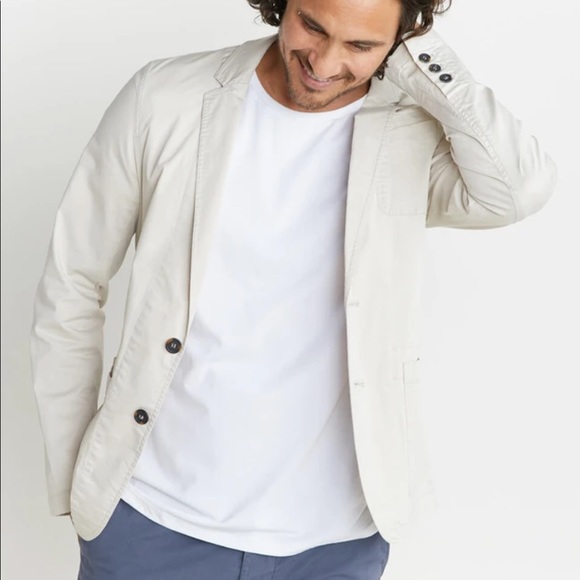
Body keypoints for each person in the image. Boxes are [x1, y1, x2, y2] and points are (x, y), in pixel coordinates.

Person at [30, 0, 557, 578]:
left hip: (334, 543)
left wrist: (421, 54)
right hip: (150, 521)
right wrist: (79, 478)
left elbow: (517, 191)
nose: (324, 63)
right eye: (312, 26)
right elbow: (73, 283)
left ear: (400, 39)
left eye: (361, 46)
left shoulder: (408, 132)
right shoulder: (166, 98)